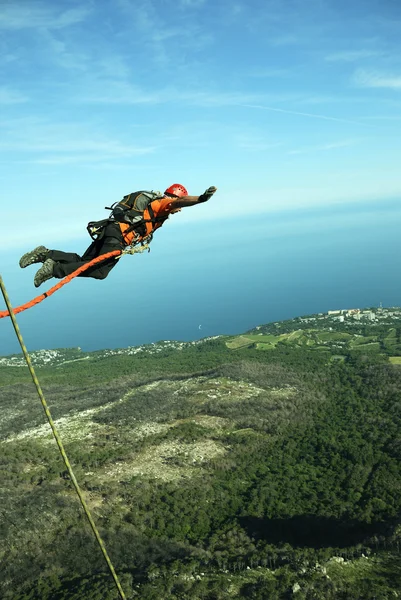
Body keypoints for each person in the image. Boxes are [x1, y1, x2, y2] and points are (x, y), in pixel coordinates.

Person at [19, 184, 217, 288]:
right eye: (178, 204)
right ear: (174, 197)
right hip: (119, 235)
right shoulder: (162, 204)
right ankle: (55, 268)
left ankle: (45, 254)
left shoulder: (154, 205)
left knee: (86, 262)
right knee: (99, 271)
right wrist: (201, 199)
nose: (179, 209)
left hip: (111, 229)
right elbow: (178, 203)